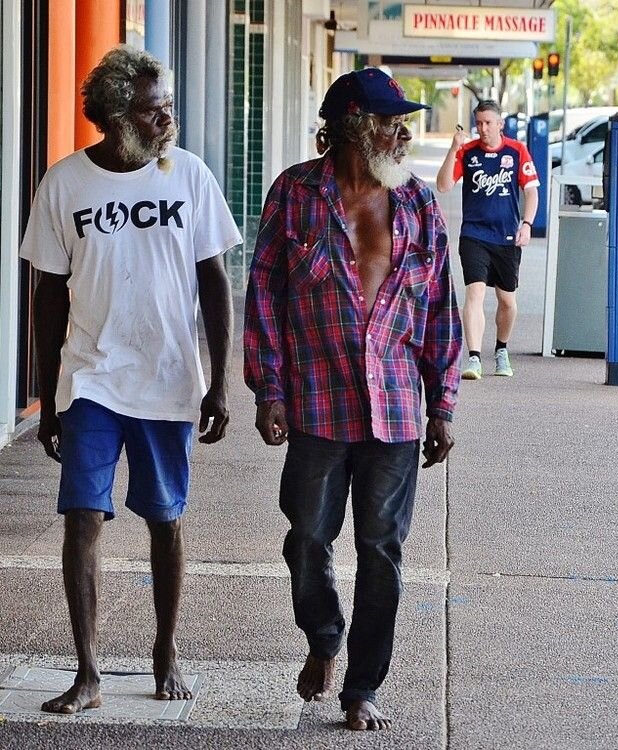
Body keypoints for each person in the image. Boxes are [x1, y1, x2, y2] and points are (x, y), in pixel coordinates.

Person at [19, 45, 239, 714]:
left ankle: (165, 653)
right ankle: (87, 672)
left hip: (169, 377)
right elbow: (47, 295)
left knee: (164, 520)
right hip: (91, 378)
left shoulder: (191, 177)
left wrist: (220, 382)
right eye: (154, 109)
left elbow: (214, 281)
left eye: (168, 105)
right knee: (82, 517)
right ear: (116, 116)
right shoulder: (65, 184)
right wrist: (48, 395)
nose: (166, 118)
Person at [243, 68, 461, 731]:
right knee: (307, 537)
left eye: (404, 123)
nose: (403, 133)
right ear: (351, 130)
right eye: (391, 122)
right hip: (316, 403)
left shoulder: (419, 203)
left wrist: (442, 404)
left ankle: (362, 685)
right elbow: (264, 295)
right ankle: (324, 634)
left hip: (394, 408)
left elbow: (443, 311)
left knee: (382, 552)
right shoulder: (295, 194)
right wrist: (268, 388)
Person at [436, 99, 539, 380]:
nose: (482, 129)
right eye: (478, 123)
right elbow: (443, 185)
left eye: (488, 123)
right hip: (474, 235)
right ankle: (474, 357)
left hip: (506, 236)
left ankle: (502, 350)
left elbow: (531, 192)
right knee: (475, 293)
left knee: (507, 301)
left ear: (500, 124)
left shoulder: (517, 151)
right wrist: (453, 148)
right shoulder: (468, 152)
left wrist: (526, 224)